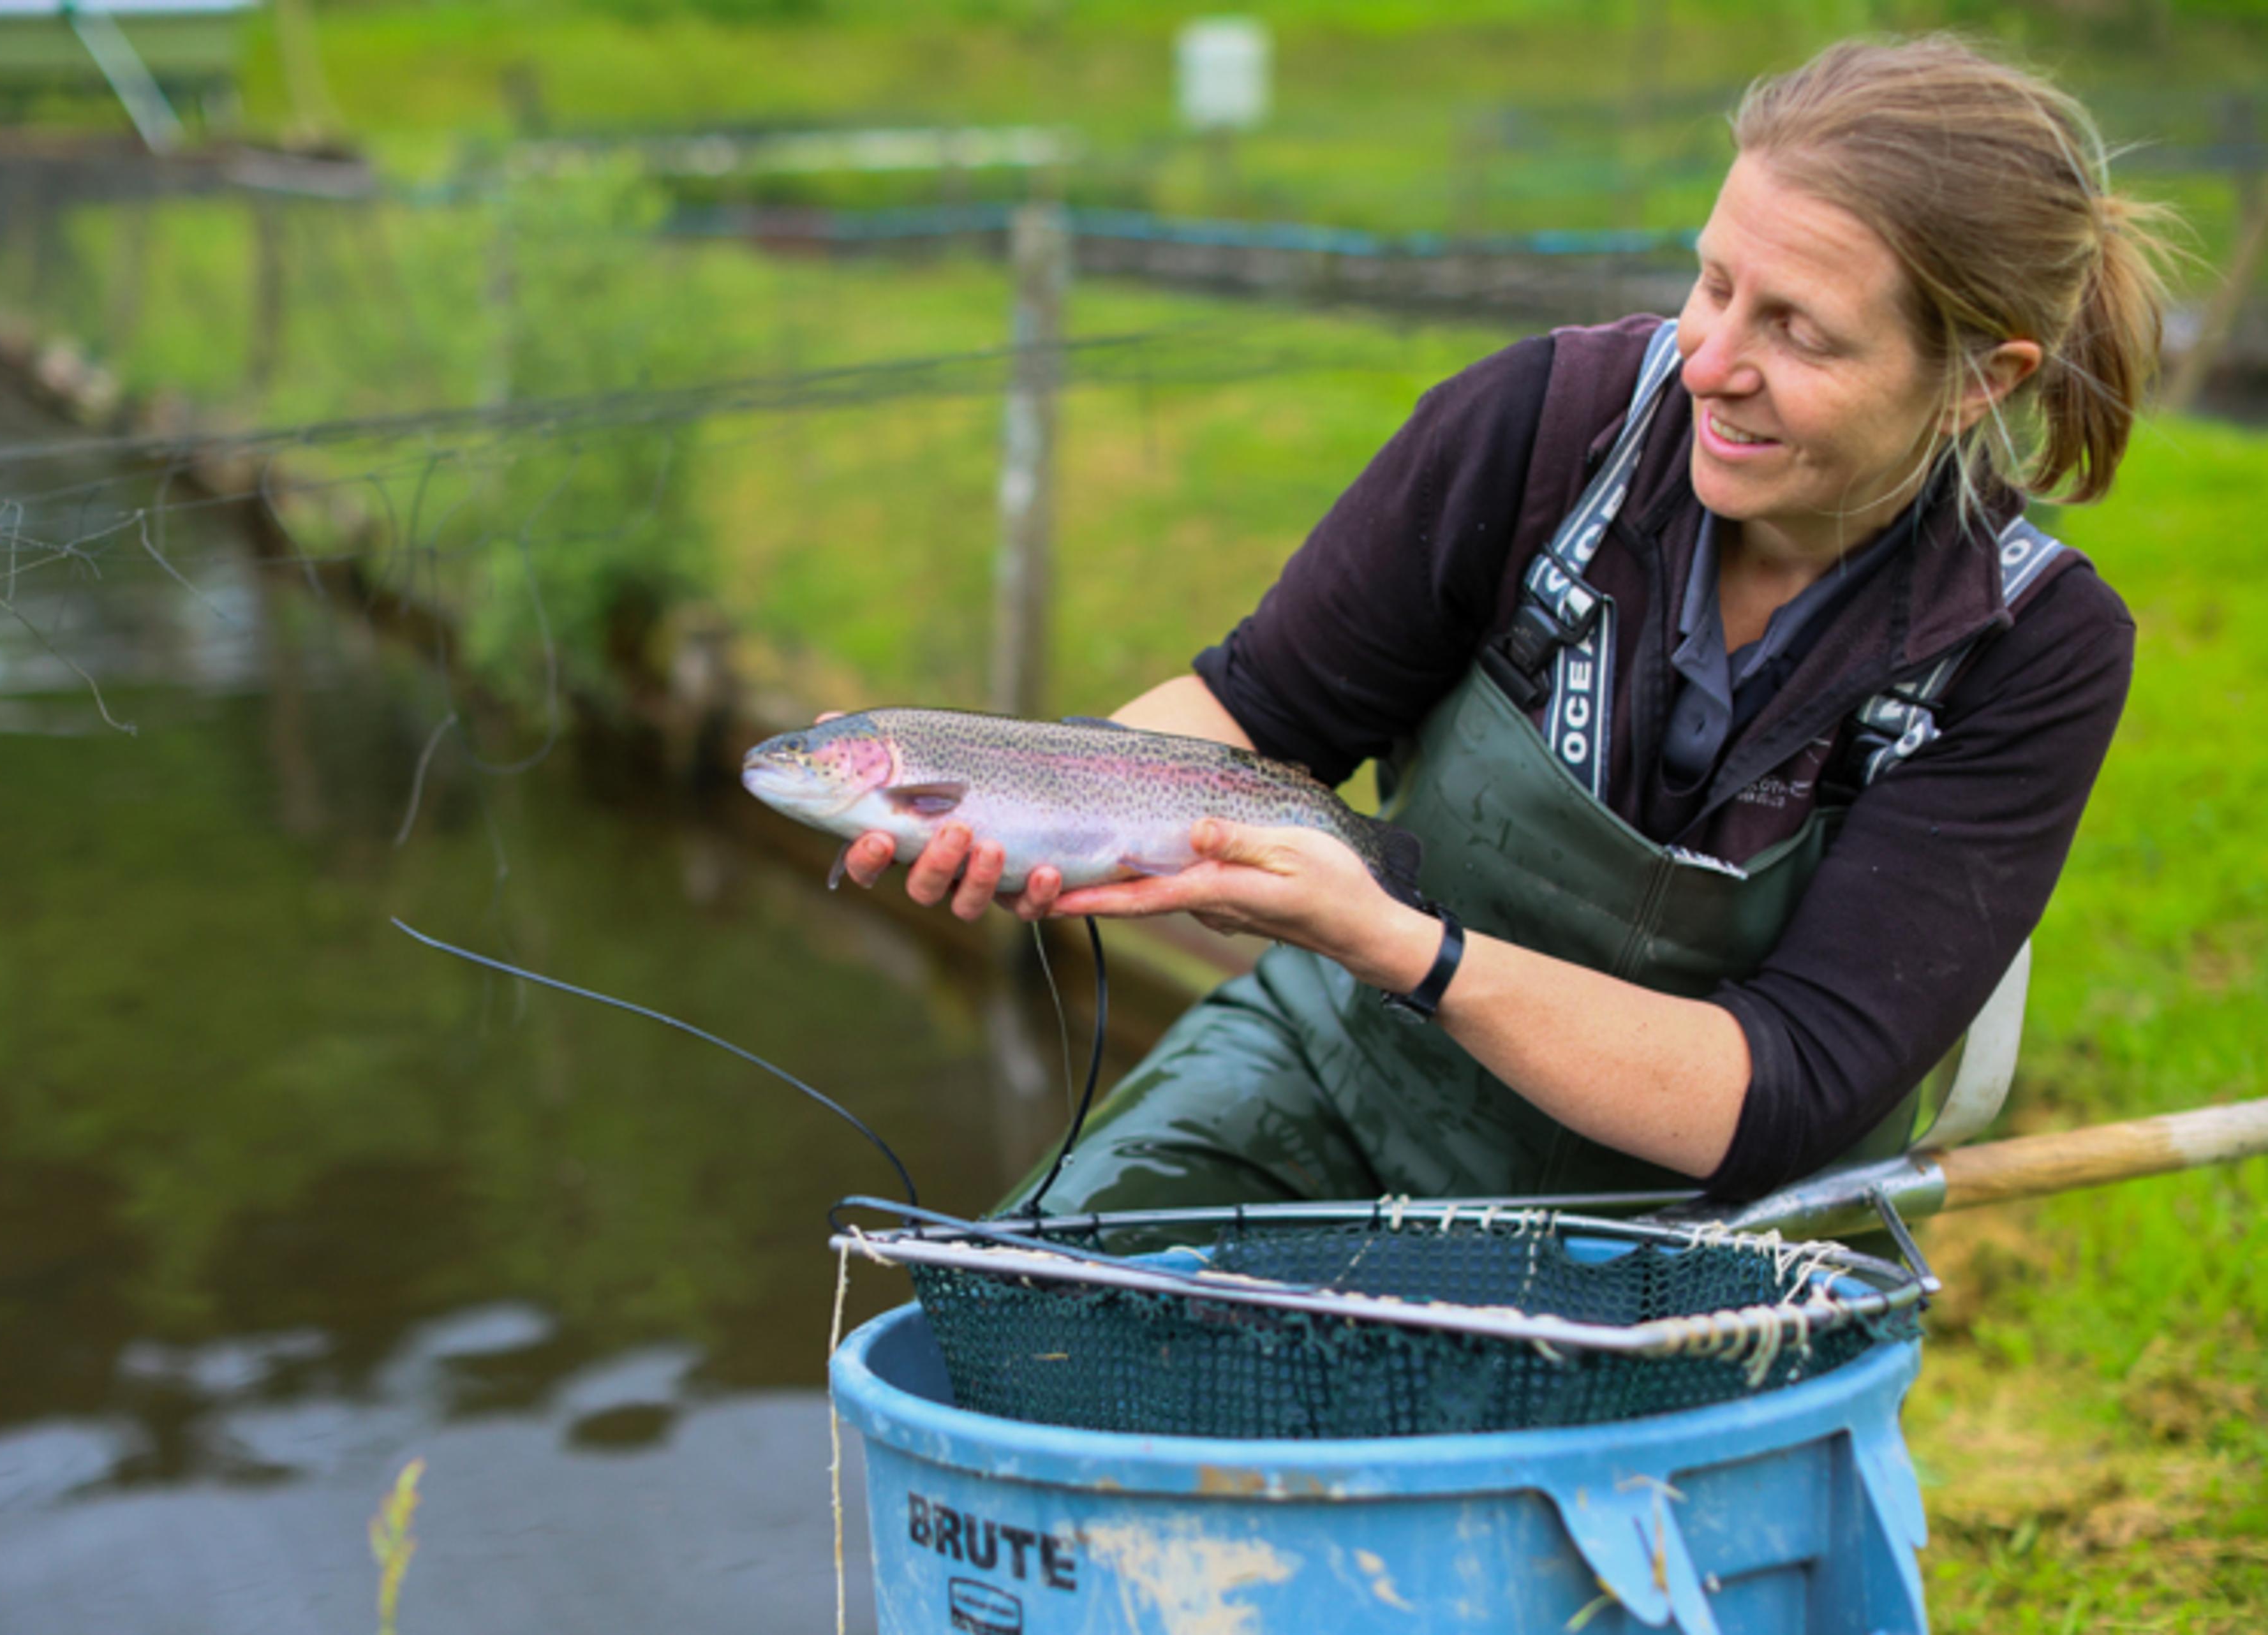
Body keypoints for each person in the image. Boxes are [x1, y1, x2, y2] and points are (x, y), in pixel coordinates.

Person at [836, 36, 2173, 1215]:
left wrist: (1400, 944)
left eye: (1800, 334)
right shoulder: (1539, 424)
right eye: (1713, 284)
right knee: (995, 1336)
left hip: (1697, 1232)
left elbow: (1784, 1088)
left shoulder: (2031, 652)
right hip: (1342, 1088)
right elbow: (1256, 709)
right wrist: (1024, 806)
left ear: (1977, 381)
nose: (1711, 364)